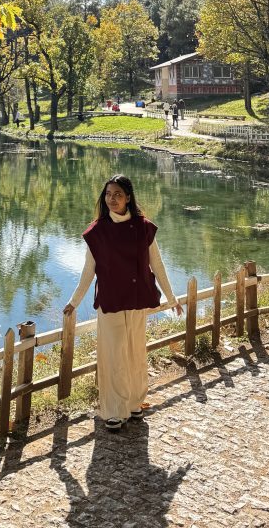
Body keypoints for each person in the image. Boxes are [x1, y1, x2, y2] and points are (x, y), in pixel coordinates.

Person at [63, 173, 183, 432]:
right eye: (108, 194)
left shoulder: (143, 227)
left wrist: (172, 298)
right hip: (111, 299)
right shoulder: (98, 231)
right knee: (114, 354)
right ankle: (114, 410)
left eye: (117, 194)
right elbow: (88, 270)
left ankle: (134, 404)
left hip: (136, 297)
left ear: (128, 197)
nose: (112, 199)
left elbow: (157, 264)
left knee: (135, 352)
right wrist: (74, 301)